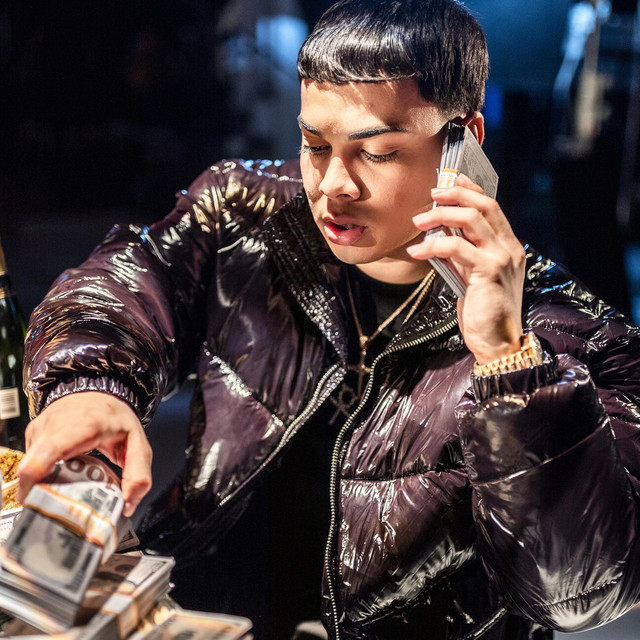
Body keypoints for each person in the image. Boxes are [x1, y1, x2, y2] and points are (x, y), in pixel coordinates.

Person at [17, 0, 640, 638]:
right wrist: (90, 386)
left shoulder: (571, 332)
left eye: (378, 153)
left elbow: (579, 594)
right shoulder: (243, 213)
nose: (333, 184)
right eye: (316, 145)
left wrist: (509, 363)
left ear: (465, 142)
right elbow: (127, 280)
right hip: (204, 611)